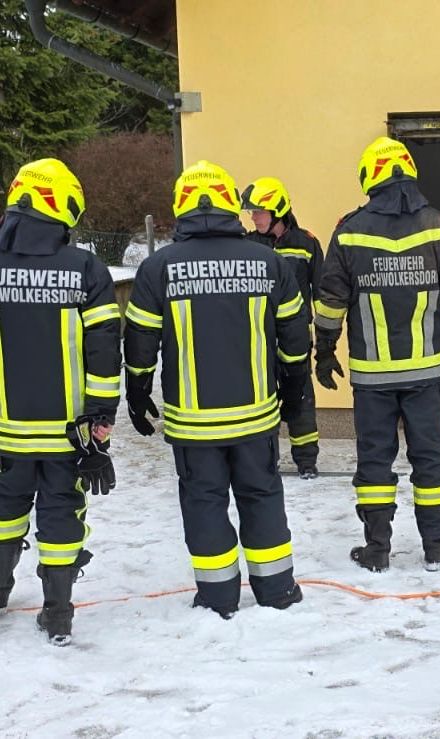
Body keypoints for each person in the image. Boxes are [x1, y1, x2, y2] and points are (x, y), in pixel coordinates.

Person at [123, 160, 310, 618]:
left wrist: (138, 391)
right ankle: (277, 589)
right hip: (255, 416)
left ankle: (218, 596)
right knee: (261, 495)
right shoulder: (269, 262)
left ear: (181, 206)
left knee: (204, 504)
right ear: (230, 204)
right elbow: (293, 338)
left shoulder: (157, 267)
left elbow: (140, 341)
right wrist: (294, 389)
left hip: (193, 421)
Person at [314, 136, 440, 573]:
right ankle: (437, 545)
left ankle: (377, 550)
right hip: (426, 371)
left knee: (374, 460)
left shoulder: (349, 230)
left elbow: (330, 301)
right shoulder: (437, 226)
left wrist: (323, 352)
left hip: (372, 376)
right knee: (430, 456)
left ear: (369, 177)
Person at [0, 158, 121, 645]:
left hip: (4, 433)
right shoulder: (86, 268)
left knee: (4, 513)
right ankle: (58, 613)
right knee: (61, 515)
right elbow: (104, 349)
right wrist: (101, 423)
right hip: (68, 433)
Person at [241, 177, 324, 479]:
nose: (253, 217)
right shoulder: (247, 245)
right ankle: (267, 459)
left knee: (301, 396)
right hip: (259, 336)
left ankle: (306, 460)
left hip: (297, 336)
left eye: (259, 212)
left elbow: (323, 289)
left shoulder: (306, 243)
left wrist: (326, 342)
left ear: (277, 210)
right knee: (263, 400)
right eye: (252, 213)